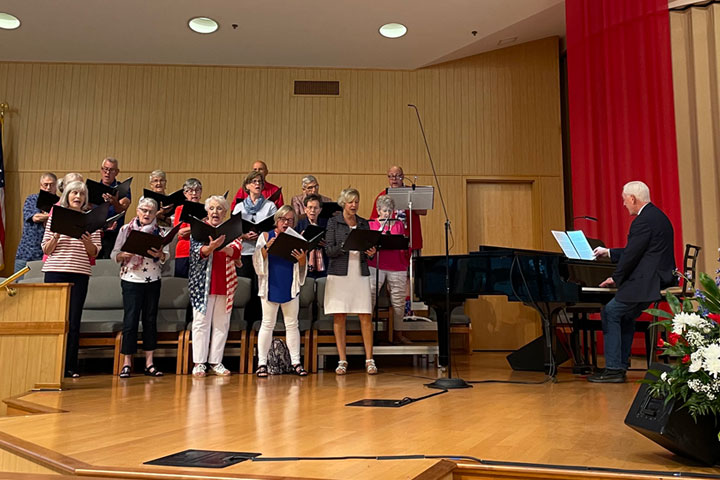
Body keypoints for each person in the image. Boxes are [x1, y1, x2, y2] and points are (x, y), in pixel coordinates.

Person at [588, 181, 676, 383]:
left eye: (624, 199)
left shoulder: (643, 221)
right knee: (625, 315)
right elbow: (637, 250)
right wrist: (609, 252)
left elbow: (631, 256)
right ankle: (619, 365)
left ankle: (613, 369)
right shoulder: (656, 216)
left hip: (648, 280)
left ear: (633, 199)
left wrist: (615, 278)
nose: (624, 204)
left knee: (610, 312)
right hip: (657, 277)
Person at [41, 181, 102, 378]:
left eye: (81, 194)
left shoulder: (91, 220)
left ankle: (70, 366)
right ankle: (50, 365)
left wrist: (87, 242)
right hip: (55, 271)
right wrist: (56, 235)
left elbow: (94, 252)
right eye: (74, 193)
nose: (78, 197)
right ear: (66, 195)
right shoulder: (55, 216)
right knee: (53, 319)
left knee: (74, 320)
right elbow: (46, 249)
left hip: (79, 272)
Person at [111, 198, 169, 378]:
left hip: (152, 279)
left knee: (150, 320)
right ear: (137, 211)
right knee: (131, 320)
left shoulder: (161, 232)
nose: (146, 214)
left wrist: (160, 254)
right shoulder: (126, 230)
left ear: (155, 214)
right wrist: (123, 254)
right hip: (131, 279)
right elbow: (114, 254)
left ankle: (149, 363)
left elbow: (167, 256)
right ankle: (127, 362)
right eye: (143, 210)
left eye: (150, 211)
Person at [324, 188, 378, 375]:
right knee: (340, 316)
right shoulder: (333, 222)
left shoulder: (363, 223)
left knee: (365, 315)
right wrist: (345, 246)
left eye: (356, 201)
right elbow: (329, 251)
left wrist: (371, 253)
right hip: (339, 275)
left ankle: (369, 360)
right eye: (350, 202)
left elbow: (369, 250)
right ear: (343, 203)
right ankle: (342, 360)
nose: (354, 205)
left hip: (359, 273)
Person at [188, 195, 243, 377]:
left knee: (221, 323)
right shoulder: (199, 229)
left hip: (225, 282)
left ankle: (216, 361)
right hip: (203, 283)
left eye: (219, 208)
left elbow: (236, 252)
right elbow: (196, 252)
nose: (215, 212)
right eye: (211, 208)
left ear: (225, 212)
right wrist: (211, 247)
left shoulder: (231, 230)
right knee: (200, 323)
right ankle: (199, 362)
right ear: (207, 211)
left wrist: (222, 246)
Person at [253, 205, 309, 377]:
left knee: (292, 324)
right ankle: (262, 363)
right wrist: (265, 249)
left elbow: (302, 267)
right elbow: (256, 262)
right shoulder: (265, 236)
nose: (286, 223)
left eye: (290, 220)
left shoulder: (297, 238)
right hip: (271, 284)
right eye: (283, 219)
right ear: (276, 220)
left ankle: (296, 362)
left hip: (289, 284)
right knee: (267, 323)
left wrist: (302, 260)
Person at [232, 171, 278, 324]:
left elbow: (274, 229)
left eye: (260, 182)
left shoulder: (270, 206)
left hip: (262, 252)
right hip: (244, 251)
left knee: (260, 287)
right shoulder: (239, 207)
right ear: (247, 186)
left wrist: (261, 235)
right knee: (244, 287)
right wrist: (244, 236)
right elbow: (232, 230)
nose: (257, 184)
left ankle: (259, 322)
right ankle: (244, 323)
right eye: (254, 181)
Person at [368, 195, 411, 344]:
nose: (387, 213)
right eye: (384, 210)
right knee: (370, 296)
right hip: (376, 264)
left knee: (398, 301)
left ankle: (398, 333)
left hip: (397, 265)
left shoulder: (398, 224)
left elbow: (403, 244)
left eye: (390, 210)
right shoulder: (371, 224)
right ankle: (368, 333)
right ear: (378, 210)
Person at [369, 166, 425, 253]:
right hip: (391, 240)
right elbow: (373, 220)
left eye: (397, 176)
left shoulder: (411, 192)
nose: (394, 179)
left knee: (414, 261)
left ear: (403, 176)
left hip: (411, 237)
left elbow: (423, 211)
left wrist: (410, 201)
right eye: (391, 176)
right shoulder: (383, 196)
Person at [14, 172, 57, 273]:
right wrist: (53, 216)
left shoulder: (59, 203)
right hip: (27, 253)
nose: (48, 188)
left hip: (48, 256)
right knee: (18, 282)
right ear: (40, 185)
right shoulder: (32, 199)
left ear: (56, 186)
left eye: (51, 185)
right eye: (45, 184)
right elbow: (36, 218)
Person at [97, 157, 132, 259]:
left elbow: (122, 209)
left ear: (117, 172)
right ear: (101, 170)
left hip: (114, 234)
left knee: (110, 263)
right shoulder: (93, 188)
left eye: (111, 170)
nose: (107, 173)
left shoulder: (123, 188)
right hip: (96, 234)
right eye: (105, 169)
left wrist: (114, 202)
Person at [172, 178, 203, 278]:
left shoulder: (206, 209)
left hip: (201, 251)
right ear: (185, 193)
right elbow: (181, 233)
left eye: (197, 190)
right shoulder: (180, 209)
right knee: (181, 283)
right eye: (190, 191)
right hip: (184, 251)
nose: (194, 193)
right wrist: (201, 225)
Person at [296, 194, 328, 279]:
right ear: (305, 209)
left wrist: (326, 244)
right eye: (310, 207)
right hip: (305, 266)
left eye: (315, 208)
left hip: (323, 265)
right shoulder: (298, 225)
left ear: (320, 210)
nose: (312, 210)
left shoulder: (326, 224)